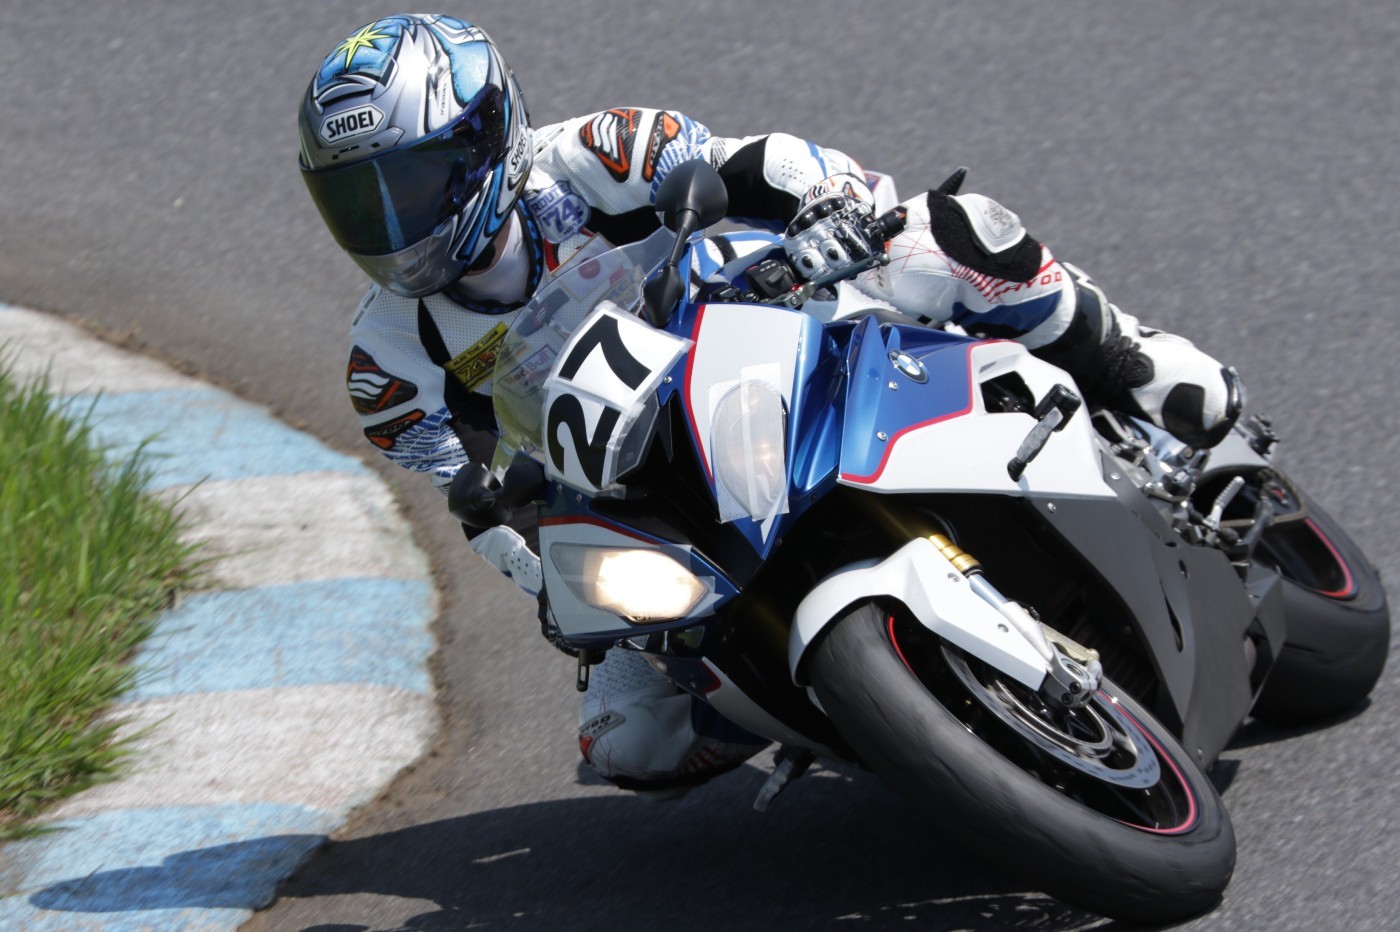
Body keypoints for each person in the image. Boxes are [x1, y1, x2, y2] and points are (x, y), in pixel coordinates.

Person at [298, 14, 1243, 796]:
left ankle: (1131, 363)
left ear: (485, 138)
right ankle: (837, 709)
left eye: (408, 186)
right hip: (641, 484)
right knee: (628, 741)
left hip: (769, 328)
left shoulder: (594, 152)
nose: (393, 226)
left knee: (942, 234)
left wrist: (832, 205)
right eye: (360, 204)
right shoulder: (387, 365)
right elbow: (478, 504)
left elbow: (760, 160)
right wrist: (548, 579)